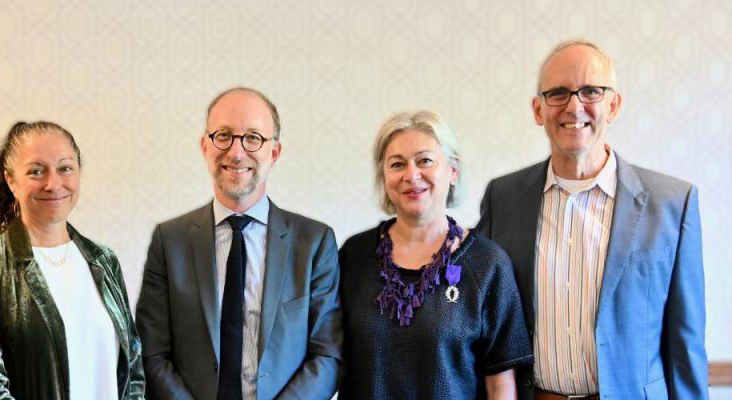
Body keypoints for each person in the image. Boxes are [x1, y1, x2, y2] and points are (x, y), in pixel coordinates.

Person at [476, 40, 708, 400]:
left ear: (613, 104)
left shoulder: (672, 204)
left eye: (590, 91)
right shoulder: (502, 198)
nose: (573, 105)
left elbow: (685, 343)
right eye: (557, 93)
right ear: (538, 110)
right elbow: (482, 319)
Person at [135, 87, 343, 400]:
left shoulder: (314, 242)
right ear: (205, 146)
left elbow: (327, 356)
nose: (236, 152)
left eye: (253, 138)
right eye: (223, 136)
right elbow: (152, 354)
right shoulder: (169, 241)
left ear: (274, 152)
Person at [338, 111, 533, 399]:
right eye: (397, 164)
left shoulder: (488, 264)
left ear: (452, 171)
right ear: (384, 177)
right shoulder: (353, 256)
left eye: (425, 160)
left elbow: (500, 386)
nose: (411, 175)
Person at [0, 121, 145, 399]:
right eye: (36, 171)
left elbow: (133, 369)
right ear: (11, 180)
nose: (53, 183)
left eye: (65, 168)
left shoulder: (103, 260)